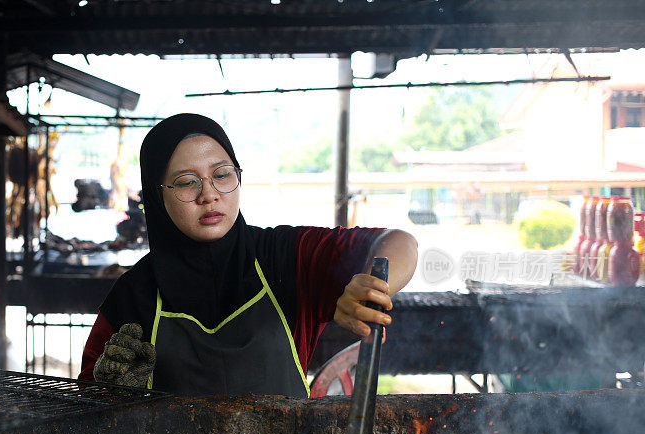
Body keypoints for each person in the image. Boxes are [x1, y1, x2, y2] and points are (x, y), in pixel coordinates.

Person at [79, 113, 417, 397]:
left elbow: (399, 241)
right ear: (155, 197)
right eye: (186, 182)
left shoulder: (286, 257)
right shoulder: (133, 294)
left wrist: (372, 286)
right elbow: (84, 412)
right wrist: (110, 394)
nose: (209, 195)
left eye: (222, 174)